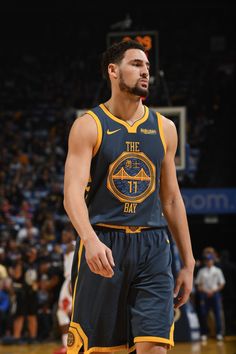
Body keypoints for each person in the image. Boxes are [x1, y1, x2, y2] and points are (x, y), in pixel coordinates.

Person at [63, 40, 195, 354]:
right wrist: (90, 240)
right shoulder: (88, 126)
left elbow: (172, 199)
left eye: (147, 66)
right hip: (105, 243)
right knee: (100, 350)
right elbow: (71, 194)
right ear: (113, 70)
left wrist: (188, 262)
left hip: (153, 246)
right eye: (136, 64)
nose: (145, 71)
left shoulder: (165, 128)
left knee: (154, 347)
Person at [53, 228, 76, 354]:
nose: (62, 236)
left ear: (71, 234)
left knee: (64, 311)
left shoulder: (72, 245)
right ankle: (68, 344)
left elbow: (66, 249)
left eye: (65, 233)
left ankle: (69, 345)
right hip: (69, 280)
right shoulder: (70, 247)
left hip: (71, 280)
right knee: (63, 312)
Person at [195, 253, 226, 342]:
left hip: (215, 294)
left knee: (217, 314)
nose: (208, 262)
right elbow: (198, 284)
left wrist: (214, 291)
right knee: (204, 314)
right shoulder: (202, 271)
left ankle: (219, 333)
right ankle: (204, 333)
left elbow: (222, 283)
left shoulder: (217, 270)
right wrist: (205, 291)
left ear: (212, 261)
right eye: (206, 260)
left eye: (210, 260)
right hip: (204, 294)